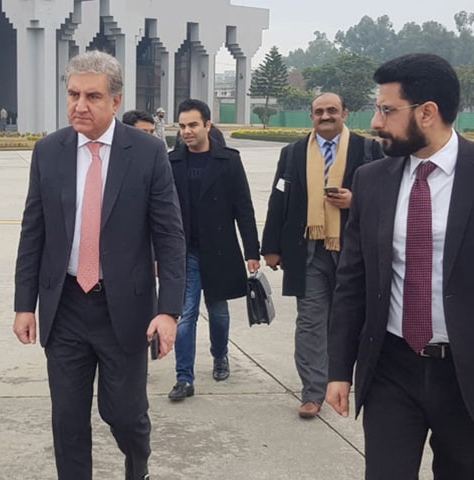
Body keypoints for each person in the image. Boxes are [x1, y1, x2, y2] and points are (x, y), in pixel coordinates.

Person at [13, 50, 185, 480]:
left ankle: (137, 466)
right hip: (65, 304)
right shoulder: (49, 151)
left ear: (115, 100)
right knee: (67, 419)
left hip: (123, 307)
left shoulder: (146, 152)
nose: (79, 105)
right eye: (73, 94)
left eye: (92, 96)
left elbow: (169, 235)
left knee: (124, 415)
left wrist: (168, 311)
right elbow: (33, 231)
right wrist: (24, 304)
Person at [326, 53, 474, 478]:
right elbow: (352, 282)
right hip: (392, 367)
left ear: (428, 112)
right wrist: (338, 370)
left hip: (464, 373)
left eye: (387, 110)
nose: (375, 122)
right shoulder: (372, 181)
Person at [261, 92, 382, 419]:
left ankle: (357, 380)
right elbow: (278, 199)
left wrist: (355, 200)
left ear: (344, 112)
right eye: (319, 111)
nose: (325, 116)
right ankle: (313, 391)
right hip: (308, 251)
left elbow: (389, 199)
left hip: (354, 252)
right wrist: (270, 246)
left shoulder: (369, 150)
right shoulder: (293, 153)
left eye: (332, 110)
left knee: (354, 318)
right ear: (311, 116)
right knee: (312, 322)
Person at [167, 99, 260, 401]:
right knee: (186, 314)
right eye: (182, 126)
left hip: (220, 250)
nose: (187, 131)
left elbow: (243, 209)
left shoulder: (228, 161)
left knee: (218, 313)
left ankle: (220, 355)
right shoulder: (172, 162)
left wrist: (252, 252)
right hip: (186, 252)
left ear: (207, 125)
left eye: (193, 125)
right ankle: (184, 377)